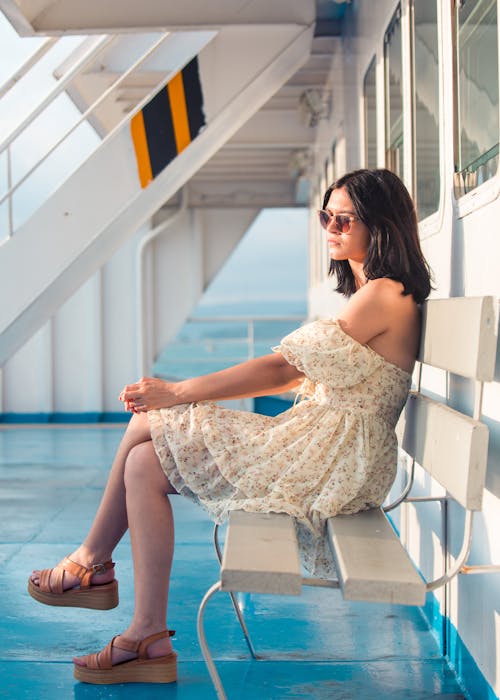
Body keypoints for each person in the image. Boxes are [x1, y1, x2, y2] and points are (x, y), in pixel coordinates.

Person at [28, 168, 432, 685]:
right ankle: (141, 629)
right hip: (321, 443)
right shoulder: (370, 292)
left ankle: (93, 565)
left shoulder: (383, 294)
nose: (330, 227)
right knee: (144, 461)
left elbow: (286, 369)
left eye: (343, 218)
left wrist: (177, 390)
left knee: (156, 417)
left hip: (334, 459)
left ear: (380, 225)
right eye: (325, 215)